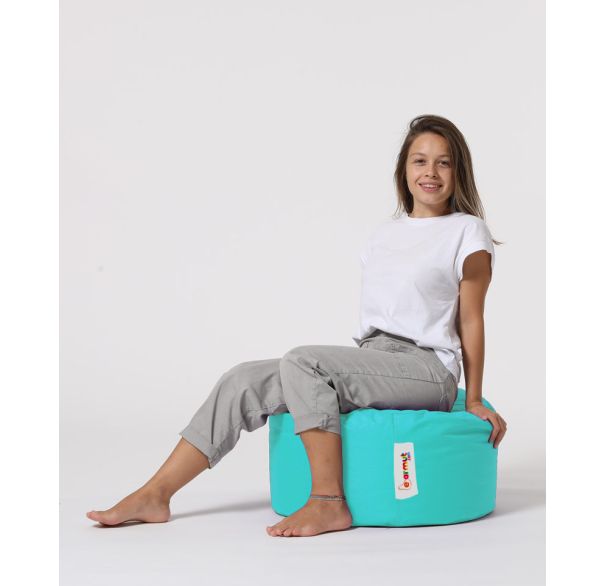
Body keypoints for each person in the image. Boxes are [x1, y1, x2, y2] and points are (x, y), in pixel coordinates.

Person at [86, 114, 508, 537]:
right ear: (404, 170)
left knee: (304, 362)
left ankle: (328, 502)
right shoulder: (383, 234)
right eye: (420, 161)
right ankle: (156, 494)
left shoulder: (468, 231)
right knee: (242, 380)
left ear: (458, 172)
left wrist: (472, 398)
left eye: (443, 162)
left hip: (426, 369)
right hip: (376, 357)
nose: (430, 172)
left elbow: (471, 318)